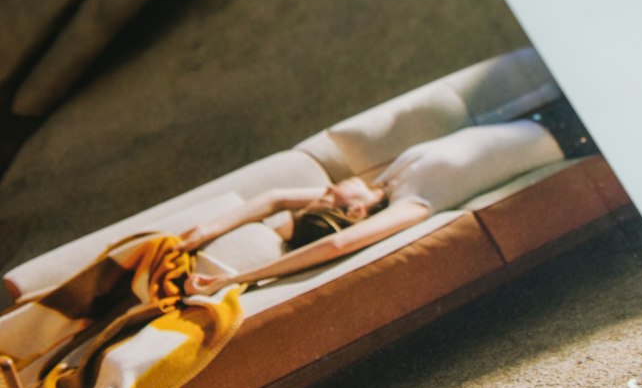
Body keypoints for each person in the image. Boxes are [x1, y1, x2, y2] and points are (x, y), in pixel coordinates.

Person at [184, 117, 576, 298]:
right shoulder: (411, 204)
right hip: (571, 136)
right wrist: (233, 279)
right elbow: (335, 246)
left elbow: (275, 198)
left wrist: (205, 231)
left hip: (542, 114)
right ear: (353, 214)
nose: (325, 189)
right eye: (327, 199)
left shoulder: (384, 184)